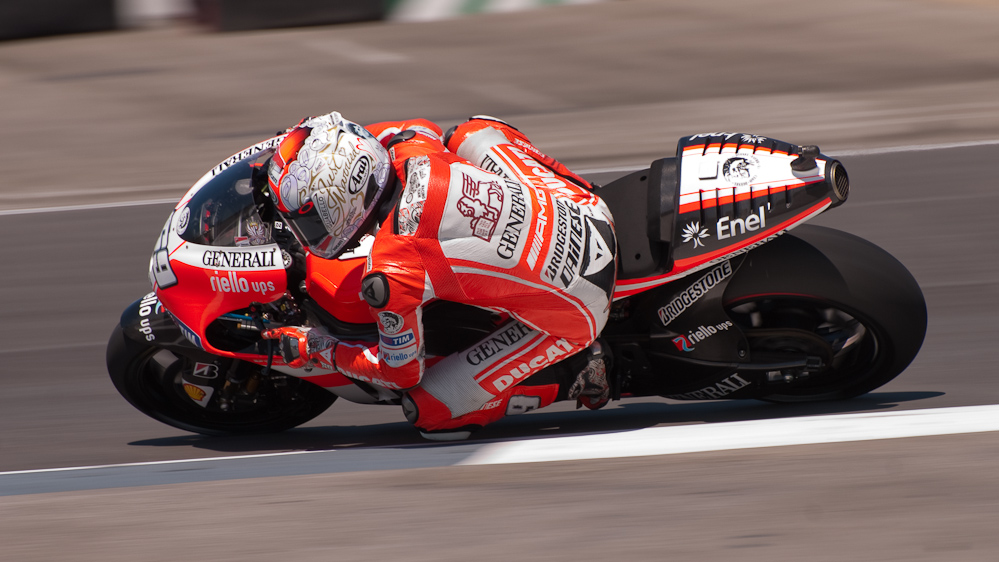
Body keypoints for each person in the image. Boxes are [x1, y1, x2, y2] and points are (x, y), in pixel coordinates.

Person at [261, 111, 617, 440]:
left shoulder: (392, 269)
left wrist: (317, 348)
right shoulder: (412, 146)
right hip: (588, 209)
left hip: (581, 306)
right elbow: (411, 126)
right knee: (470, 132)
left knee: (430, 411)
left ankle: (577, 371)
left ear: (341, 202)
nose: (304, 231)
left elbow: (400, 373)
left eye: (307, 220)